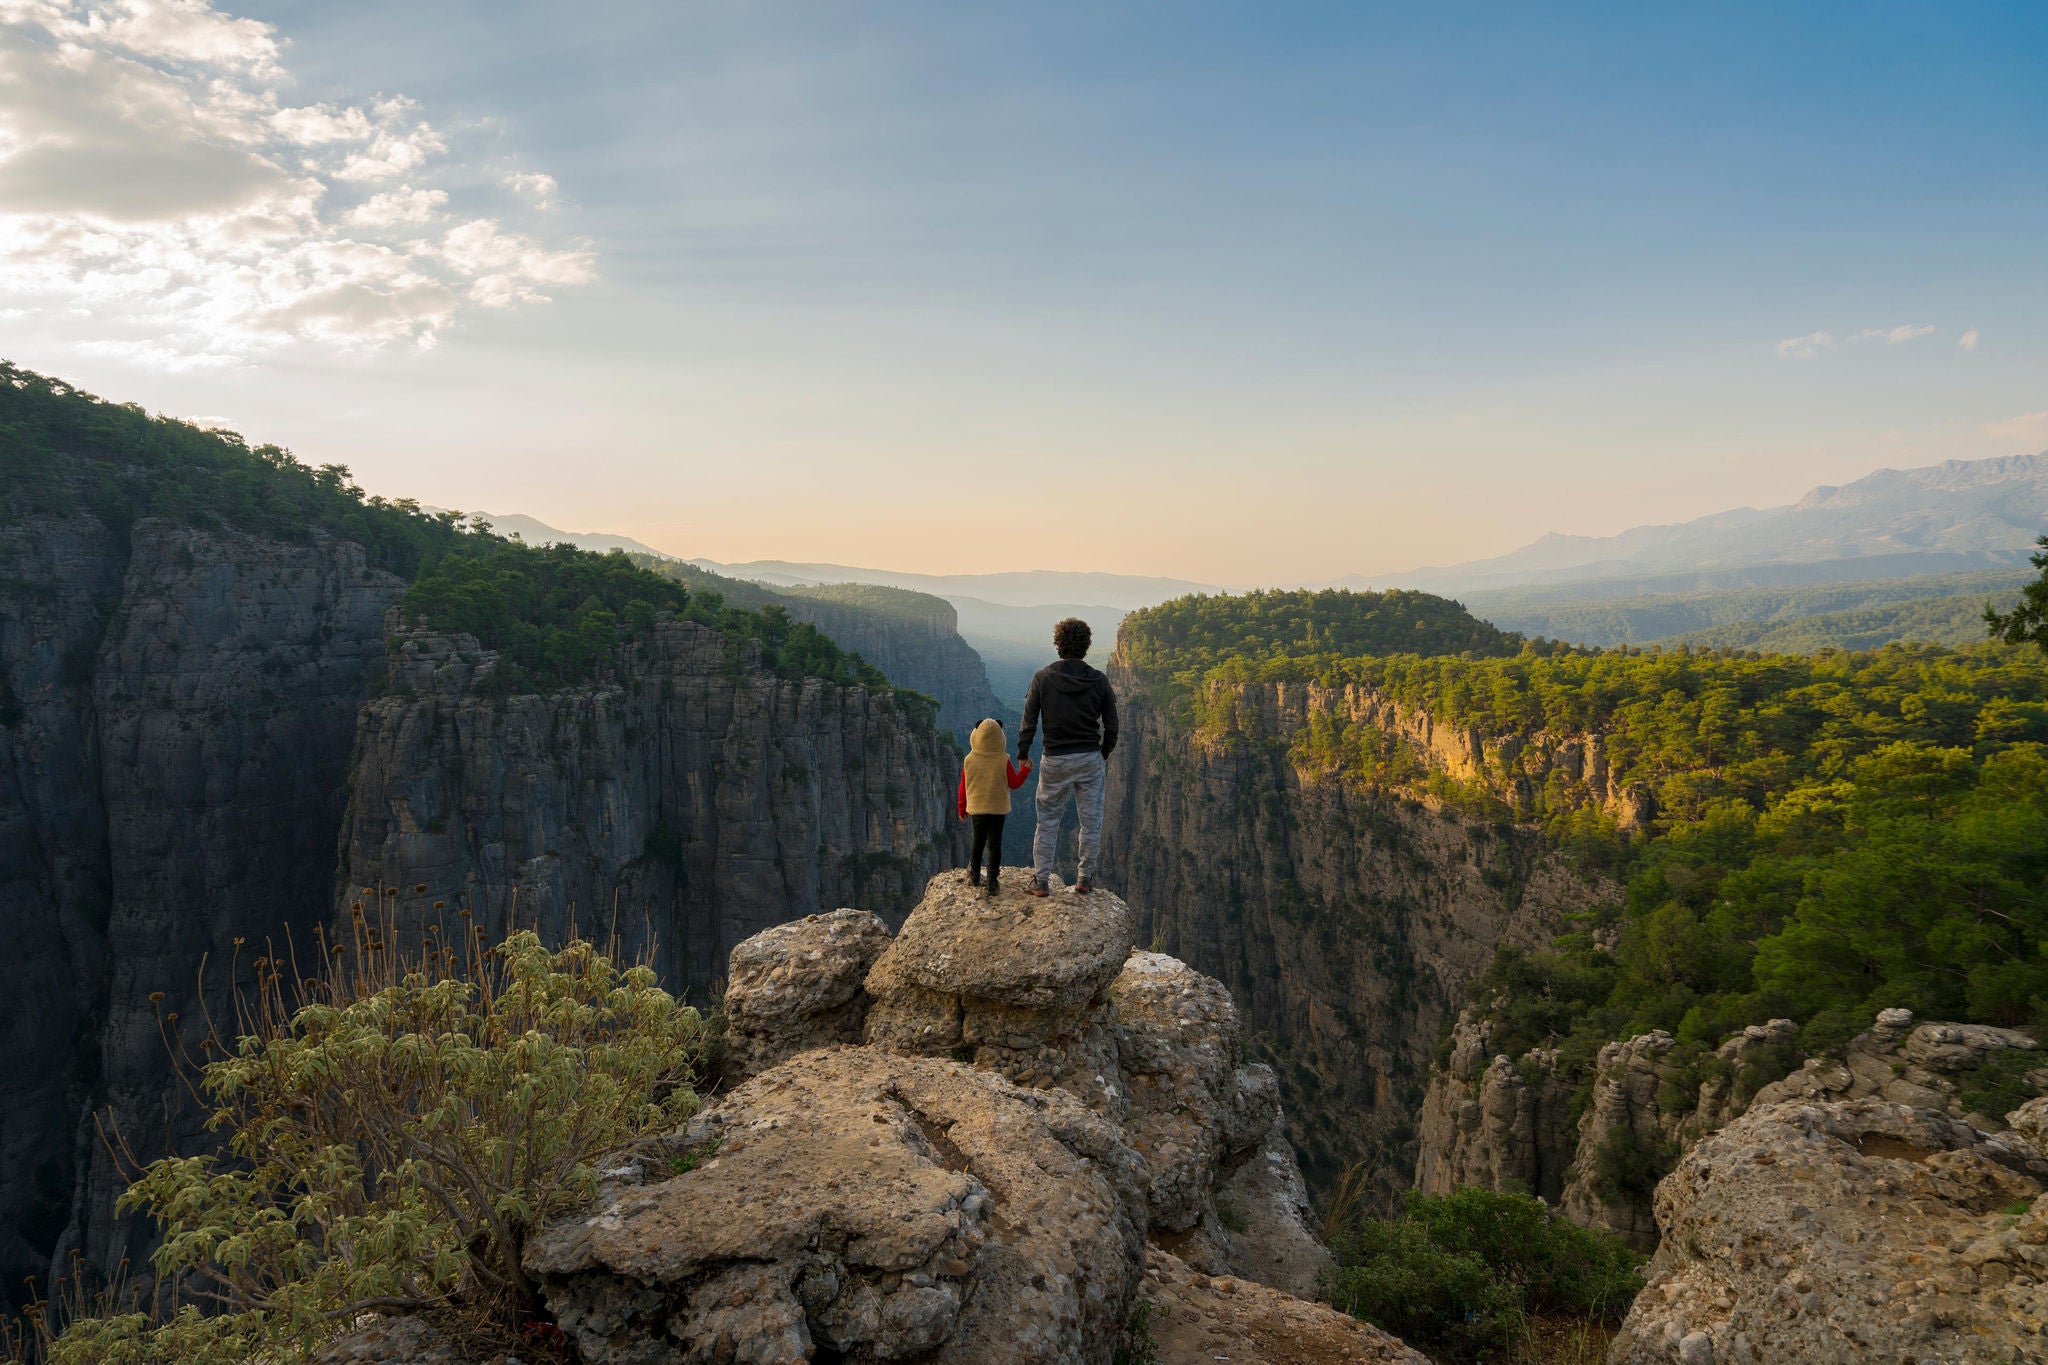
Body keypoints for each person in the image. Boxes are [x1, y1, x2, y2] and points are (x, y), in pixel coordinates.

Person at [1015, 617, 1118, 896]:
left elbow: (1028, 723)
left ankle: (1041, 881)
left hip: (1055, 759)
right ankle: (1084, 879)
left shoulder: (1042, 678)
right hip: (1089, 758)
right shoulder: (1099, 681)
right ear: (1086, 646)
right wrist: (1101, 754)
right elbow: (1112, 725)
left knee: (1047, 820)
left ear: (1058, 644)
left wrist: (1023, 754)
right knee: (1091, 821)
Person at [957, 717, 1031, 897]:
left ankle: (974, 875)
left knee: (978, 842)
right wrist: (1025, 770)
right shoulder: (1003, 760)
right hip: (997, 809)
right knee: (995, 845)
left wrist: (962, 807)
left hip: (978, 809)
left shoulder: (969, 759)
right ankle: (992, 882)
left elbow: (963, 786)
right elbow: (1014, 783)